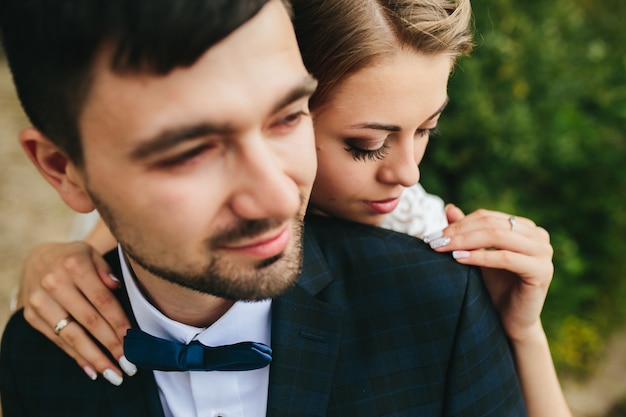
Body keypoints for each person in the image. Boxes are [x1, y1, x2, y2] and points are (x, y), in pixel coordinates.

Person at [1, 0, 535, 415]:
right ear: (62, 169)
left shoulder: (438, 291)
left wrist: (523, 331)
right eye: (192, 152)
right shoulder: (38, 356)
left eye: (285, 118)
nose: (281, 200)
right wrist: (54, 257)